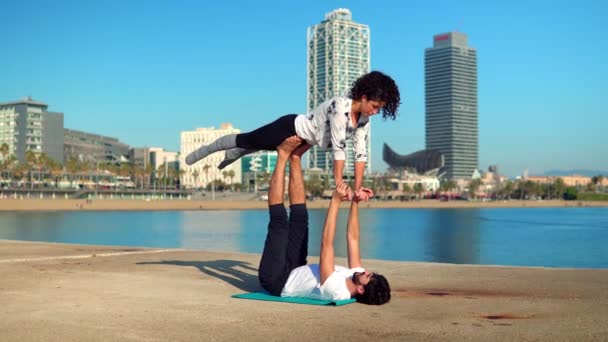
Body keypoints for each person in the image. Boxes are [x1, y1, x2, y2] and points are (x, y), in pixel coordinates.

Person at [185, 70, 401, 201]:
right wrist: (339, 184)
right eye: (374, 106)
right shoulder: (340, 107)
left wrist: (357, 188)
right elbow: (339, 148)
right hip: (289, 128)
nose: (375, 111)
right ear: (363, 97)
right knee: (248, 139)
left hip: (303, 141)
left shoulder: (363, 119)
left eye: (380, 109)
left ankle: (235, 153)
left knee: (257, 146)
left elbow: (361, 153)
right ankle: (208, 149)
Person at [258, 135, 391, 305]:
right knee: (300, 217)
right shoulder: (355, 276)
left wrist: (335, 201)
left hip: (276, 279)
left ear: (361, 289)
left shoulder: (336, 291)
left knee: (280, 222)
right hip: (296, 267)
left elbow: (326, 244)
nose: (366, 272)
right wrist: (355, 203)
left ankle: (283, 154)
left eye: (368, 276)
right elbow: (353, 238)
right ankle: (296, 157)